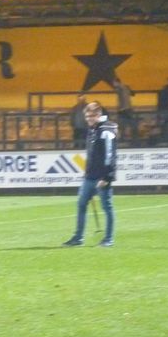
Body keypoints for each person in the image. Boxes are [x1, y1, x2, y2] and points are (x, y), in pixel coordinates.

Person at [63, 102, 118, 248]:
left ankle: (108, 239)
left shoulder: (106, 130)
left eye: (91, 116)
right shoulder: (92, 129)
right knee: (81, 204)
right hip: (90, 176)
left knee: (107, 207)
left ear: (99, 115)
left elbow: (110, 155)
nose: (88, 119)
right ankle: (78, 237)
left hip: (102, 178)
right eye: (87, 117)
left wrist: (108, 177)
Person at [112, 77, 138, 142]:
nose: (113, 84)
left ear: (116, 82)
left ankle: (126, 139)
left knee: (124, 124)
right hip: (126, 109)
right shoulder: (124, 88)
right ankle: (132, 139)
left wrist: (122, 108)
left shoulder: (122, 88)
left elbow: (125, 98)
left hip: (125, 109)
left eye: (114, 83)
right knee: (127, 124)